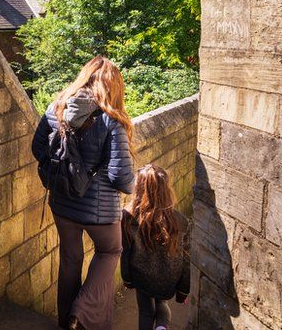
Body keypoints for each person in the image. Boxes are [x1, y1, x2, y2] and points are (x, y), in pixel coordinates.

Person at [31, 55, 135, 330]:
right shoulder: (111, 120)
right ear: (113, 86)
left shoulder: (56, 109)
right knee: (110, 251)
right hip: (99, 211)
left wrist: (64, 170)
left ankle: (66, 322)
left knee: (70, 259)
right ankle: (81, 312)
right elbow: (122, 179)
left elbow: (37, 149)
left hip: (62, 203)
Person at [120, 165, 191, 330]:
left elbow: (125, 252)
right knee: (162, 304)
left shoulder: (129, 218)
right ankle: (161, 327)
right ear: (166, 189)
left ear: (139, 189)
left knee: (146, 311)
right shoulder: (181, 220)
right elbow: (186, 258)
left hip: (142, 277)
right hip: (169, 278)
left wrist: (127, 279)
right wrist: (183, 290)